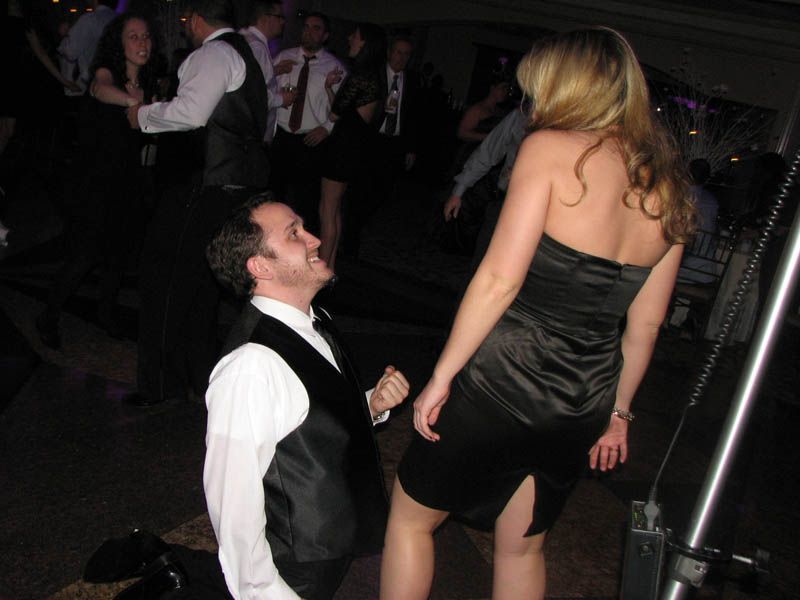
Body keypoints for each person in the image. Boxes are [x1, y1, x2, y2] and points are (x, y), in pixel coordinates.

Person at [380, 28, 694, 600]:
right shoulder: (667, 186)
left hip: (505, 375)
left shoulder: (551, 149)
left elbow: (500, 280)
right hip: (584, 395)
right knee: (523, 546)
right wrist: (618, 413)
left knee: (410, 519)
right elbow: (645, 326)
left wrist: (443, 376)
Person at [204, 193, 410, 599]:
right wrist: (267, 593)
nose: (315, 238)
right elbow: (233, 506)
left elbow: (304, 425)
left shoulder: (313, 323)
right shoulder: (251, 366)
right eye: (294, 233)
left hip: (338, 552)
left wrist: (368, 405)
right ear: (260, 266)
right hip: (296, 575)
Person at [126, 0, 270, 406]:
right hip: (230, 185)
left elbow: (191, 113)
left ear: (197, 20)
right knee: (201, 288)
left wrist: (143, 115)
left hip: (203, 185)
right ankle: (197, 377)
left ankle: (160, 385)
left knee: (167, 283)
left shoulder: (214, 53)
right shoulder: (249, 54)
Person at [35, 12, 159, 348]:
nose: (141, 43)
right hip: (94, 180)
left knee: (118, 254)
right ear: (118, 43)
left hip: (127, 180)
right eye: (133, 36)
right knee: (85, 254)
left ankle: (105, 314)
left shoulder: (150, 81)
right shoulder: (109, 73)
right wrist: (136, 102)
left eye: (145, 36)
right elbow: (100, 89)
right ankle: (48, 316)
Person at [318, 23, 386, 270]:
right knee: (334, 210)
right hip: (353, 148)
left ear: (365, 42)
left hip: (342, 148)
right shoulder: (375, 76)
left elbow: (335, 115)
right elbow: (345, 112)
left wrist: (331, 89)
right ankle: (330, 267)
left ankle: (322, 271)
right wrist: (328, 87)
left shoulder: (360, 74)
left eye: (354, 36)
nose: (349, 38)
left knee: (327, 210)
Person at [270, 12, 345, 234]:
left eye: (316, 28)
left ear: (325, 35)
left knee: (306, 202)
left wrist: (327, 128)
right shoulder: (285, 57)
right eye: (306, 27)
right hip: (282, 134)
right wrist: (275, 80)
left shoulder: (334, 67)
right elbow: (263, 89)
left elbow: (342, 107)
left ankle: (302, 249)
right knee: (275, 195)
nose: (309, 32)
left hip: (311, 139)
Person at [239, 0, 296, 144]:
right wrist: (282, 99)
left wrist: (274, 70)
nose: (283, 22)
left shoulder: (243, 38)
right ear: (266, 18)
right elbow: (253, 95)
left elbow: (246, 78)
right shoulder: (257, 47)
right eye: (280, 17)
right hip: (252, 134)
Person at [59, 0, 118, 94]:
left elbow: (70, 52)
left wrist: (65, 35)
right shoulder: (119, 19)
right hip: (115, 83)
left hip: (90, 86)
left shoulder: (89, 19)